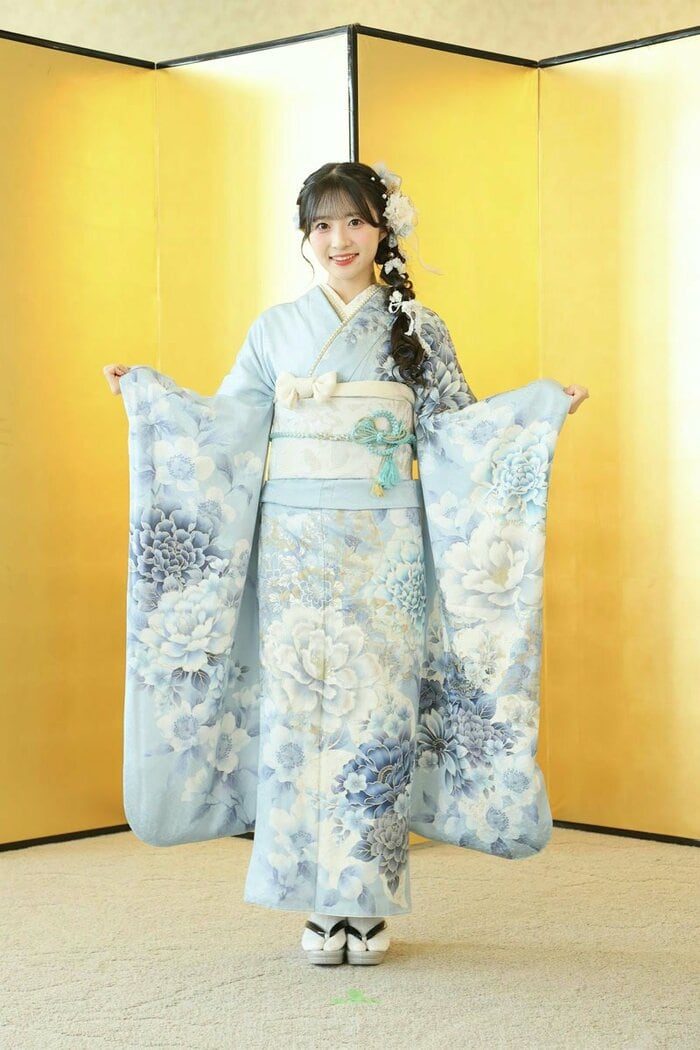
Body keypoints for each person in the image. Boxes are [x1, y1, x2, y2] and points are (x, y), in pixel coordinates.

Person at [104, 160, 589, 968]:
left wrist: (539, 412)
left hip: (383, 549)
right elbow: (225, 428)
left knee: (374, 717)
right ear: (305, 237)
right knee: (298, 716)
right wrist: (149, 398)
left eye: (356, 221)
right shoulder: (274, 330)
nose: (340, 239)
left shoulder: (417, 329)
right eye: (323, 224)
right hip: (291, 549)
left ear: (382, 230)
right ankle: (316, 900)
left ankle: (365, 901)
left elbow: (460, 434)